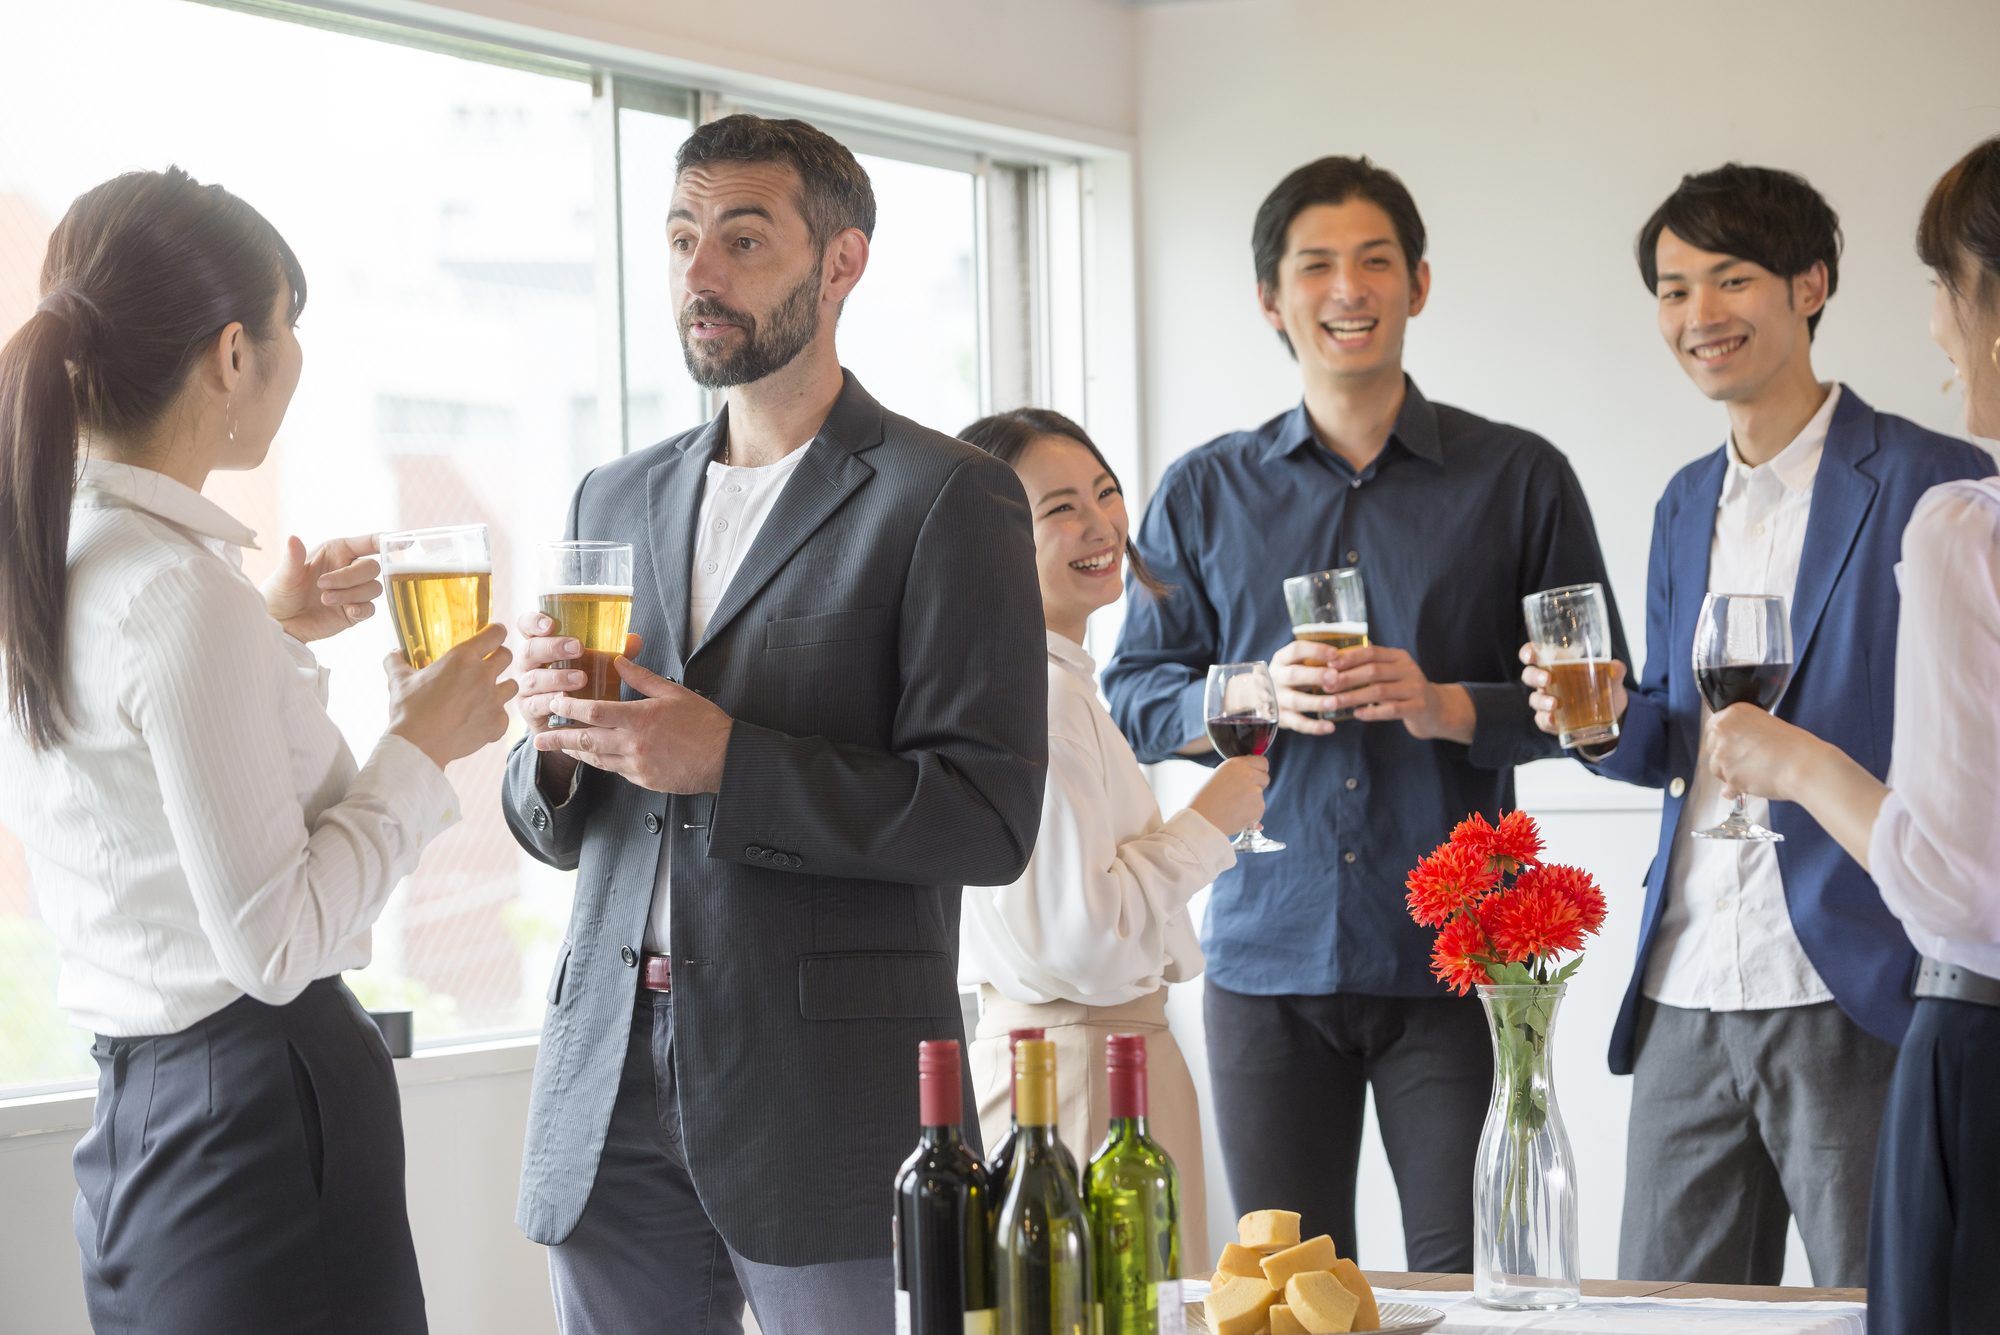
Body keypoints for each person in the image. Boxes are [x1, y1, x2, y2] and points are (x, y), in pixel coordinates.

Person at [500, 115, 1047, 1335]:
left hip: (827, 1102)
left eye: (742, 239)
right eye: (683, 237)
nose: (699, 274)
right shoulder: (614, 494)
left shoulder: (948, 498)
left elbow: (987, 818)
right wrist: (549, 735)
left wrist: (730, 763)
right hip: (605, 1082)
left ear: (839, 263)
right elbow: (557, 823)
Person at [0, 169, 515, 1334]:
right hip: (256, 1120)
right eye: (291, 323)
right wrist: (418, 746)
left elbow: (124, 784)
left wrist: (265, 636)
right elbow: (275, 943)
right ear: (234, 355)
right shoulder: (180, 595)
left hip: (141, 1125)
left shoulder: (60, 561)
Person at [1101, 155, 1623, 1270]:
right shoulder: (1203, 490)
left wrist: (1445, 705)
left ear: (1418, 285)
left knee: (1465, 1278)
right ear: (1270, 300)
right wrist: (1247, 690)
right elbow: (1133, 698)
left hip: (1451, 955)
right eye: (1316, 265)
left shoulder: (1518, 477)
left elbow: (1595, 707)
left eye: (1374, 261)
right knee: (1284, 1291)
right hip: (1264, 952)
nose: (1348, 288)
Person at [1519, 164, 1993, 1288]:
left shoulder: (1937, 484)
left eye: (1728, 280)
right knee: (1656, 1312)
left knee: (1866, 1305)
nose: (1698, 317)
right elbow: (1691, 740)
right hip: (1686, 980)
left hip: (1853, 979)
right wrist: (1592, 729)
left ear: (1810, 283)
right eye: (1672, 291)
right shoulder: (1682, 500)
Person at [1705, 136, 2000, 1335]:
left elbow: (1956, 880)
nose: (1931, 320)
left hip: (1959, 1036)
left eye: (1939, 283)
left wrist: (1799, 766)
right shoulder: (1683, 494)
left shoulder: (1954, 520)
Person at [957, 407, 1267, 1266]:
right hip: (1082, 1073)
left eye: (1105, 492)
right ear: (988, 536)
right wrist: (1210, 822)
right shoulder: (1040, 701)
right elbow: (1086, 936)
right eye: (1059, 507)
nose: (1101, 525)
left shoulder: (1047, 684)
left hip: (1079, 1062)